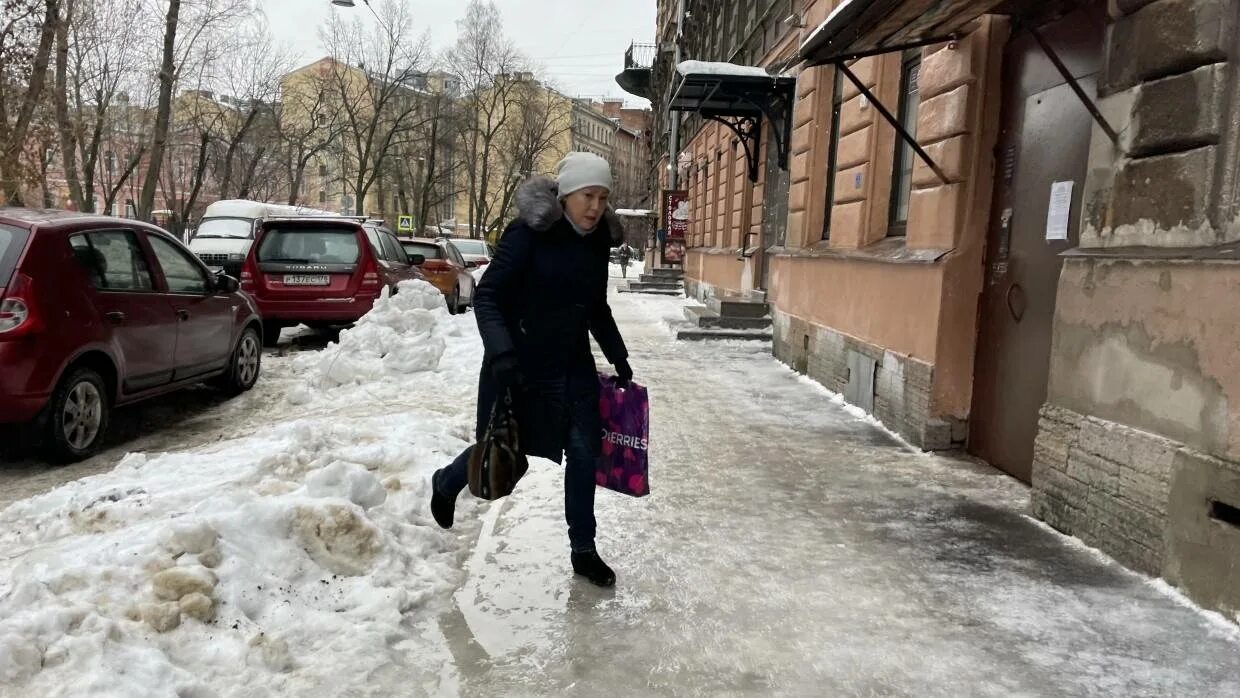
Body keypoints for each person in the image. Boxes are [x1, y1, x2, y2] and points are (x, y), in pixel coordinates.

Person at [429, 152, 633, 588]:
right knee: (506, 451)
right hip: (521, 365)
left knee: (583, 455)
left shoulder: (597, 243)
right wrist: (502, 354)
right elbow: (487, 297)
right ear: (565, 195)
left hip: (572, 365)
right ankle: (445, 483)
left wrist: (618, 355)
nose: (595, 206)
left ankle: (584, 551)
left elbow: (594, 305)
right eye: (586, 195)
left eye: (602, 196)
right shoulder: (529, 234)